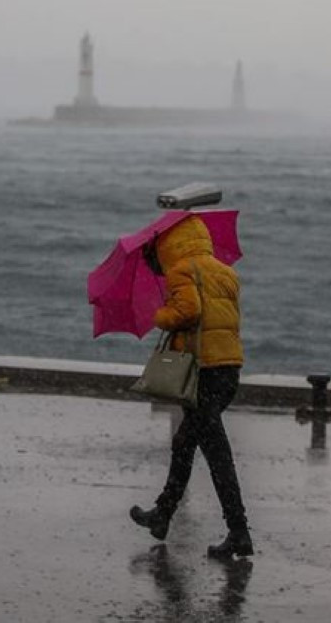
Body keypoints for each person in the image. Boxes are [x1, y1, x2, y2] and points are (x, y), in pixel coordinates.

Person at [130, 215, 253, 559]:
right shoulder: (225, 271)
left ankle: (239, 532)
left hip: (203, 372)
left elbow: (188, 311)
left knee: (216, 454)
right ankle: (163, 514)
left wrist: (161, 315)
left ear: (169, 244)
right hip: (228, 369)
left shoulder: (182, 270)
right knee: (185, 443)